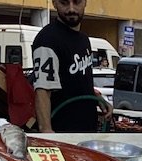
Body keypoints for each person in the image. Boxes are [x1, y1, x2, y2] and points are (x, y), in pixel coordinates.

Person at [31, 0, 113, 133]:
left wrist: (97, 98)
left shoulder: (84, 40)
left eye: (77, 2)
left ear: (85, 2)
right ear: (54, 3)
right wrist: (46, 131)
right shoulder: (48, 40)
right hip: (63, 133)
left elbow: (75, 81)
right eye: (64, 3)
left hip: (87, 131)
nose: (71, 9)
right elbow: (43, 89)